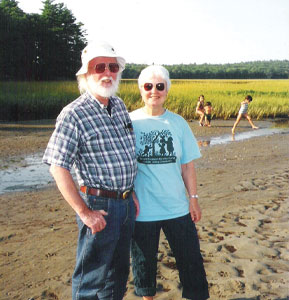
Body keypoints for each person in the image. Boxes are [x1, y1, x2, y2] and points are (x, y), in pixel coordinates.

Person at [43, 41, 138, 300]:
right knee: (90, 279)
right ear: (86, 74)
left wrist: (132, 194)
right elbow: (57, 166)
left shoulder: (118, 106)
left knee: (117, 277)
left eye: (113, 66)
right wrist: (84, 212)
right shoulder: (73, 113)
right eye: (99, 67)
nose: (107, 72)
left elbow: (126, 154)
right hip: (99, 206)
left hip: (126, 204)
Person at [130, 65, 209, 300]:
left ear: (167, 90)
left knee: (191, 260)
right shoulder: (129, 122)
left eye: (160, 86)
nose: (154, 91)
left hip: (176, 207)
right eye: (148, 86)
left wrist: (193, 199)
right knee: (143, 264)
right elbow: (122, 165)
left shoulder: (178, 123)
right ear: (141, 90)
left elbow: (187, 165)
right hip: (142, 210)